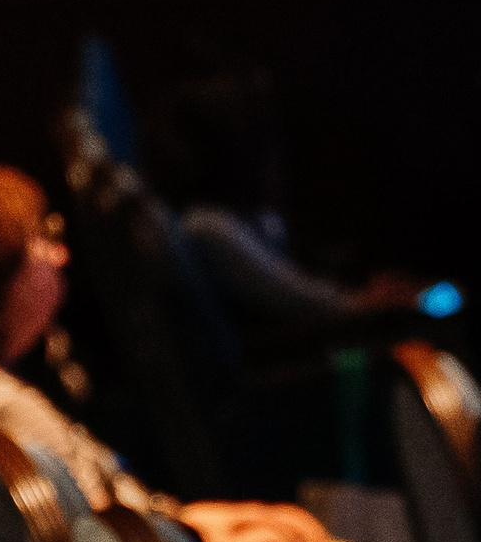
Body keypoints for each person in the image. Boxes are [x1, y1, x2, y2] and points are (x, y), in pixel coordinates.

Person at [0, 159, 452, 542]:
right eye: (40, 238)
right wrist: (245, 541)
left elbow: (119, 507)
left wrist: (242, 517)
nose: (60, 254)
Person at [164, 71, 424, 342]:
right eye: (258, 138)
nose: (272, 154)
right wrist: (365, 300)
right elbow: (295, 300)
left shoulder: (250, 217)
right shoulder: (207, 225)